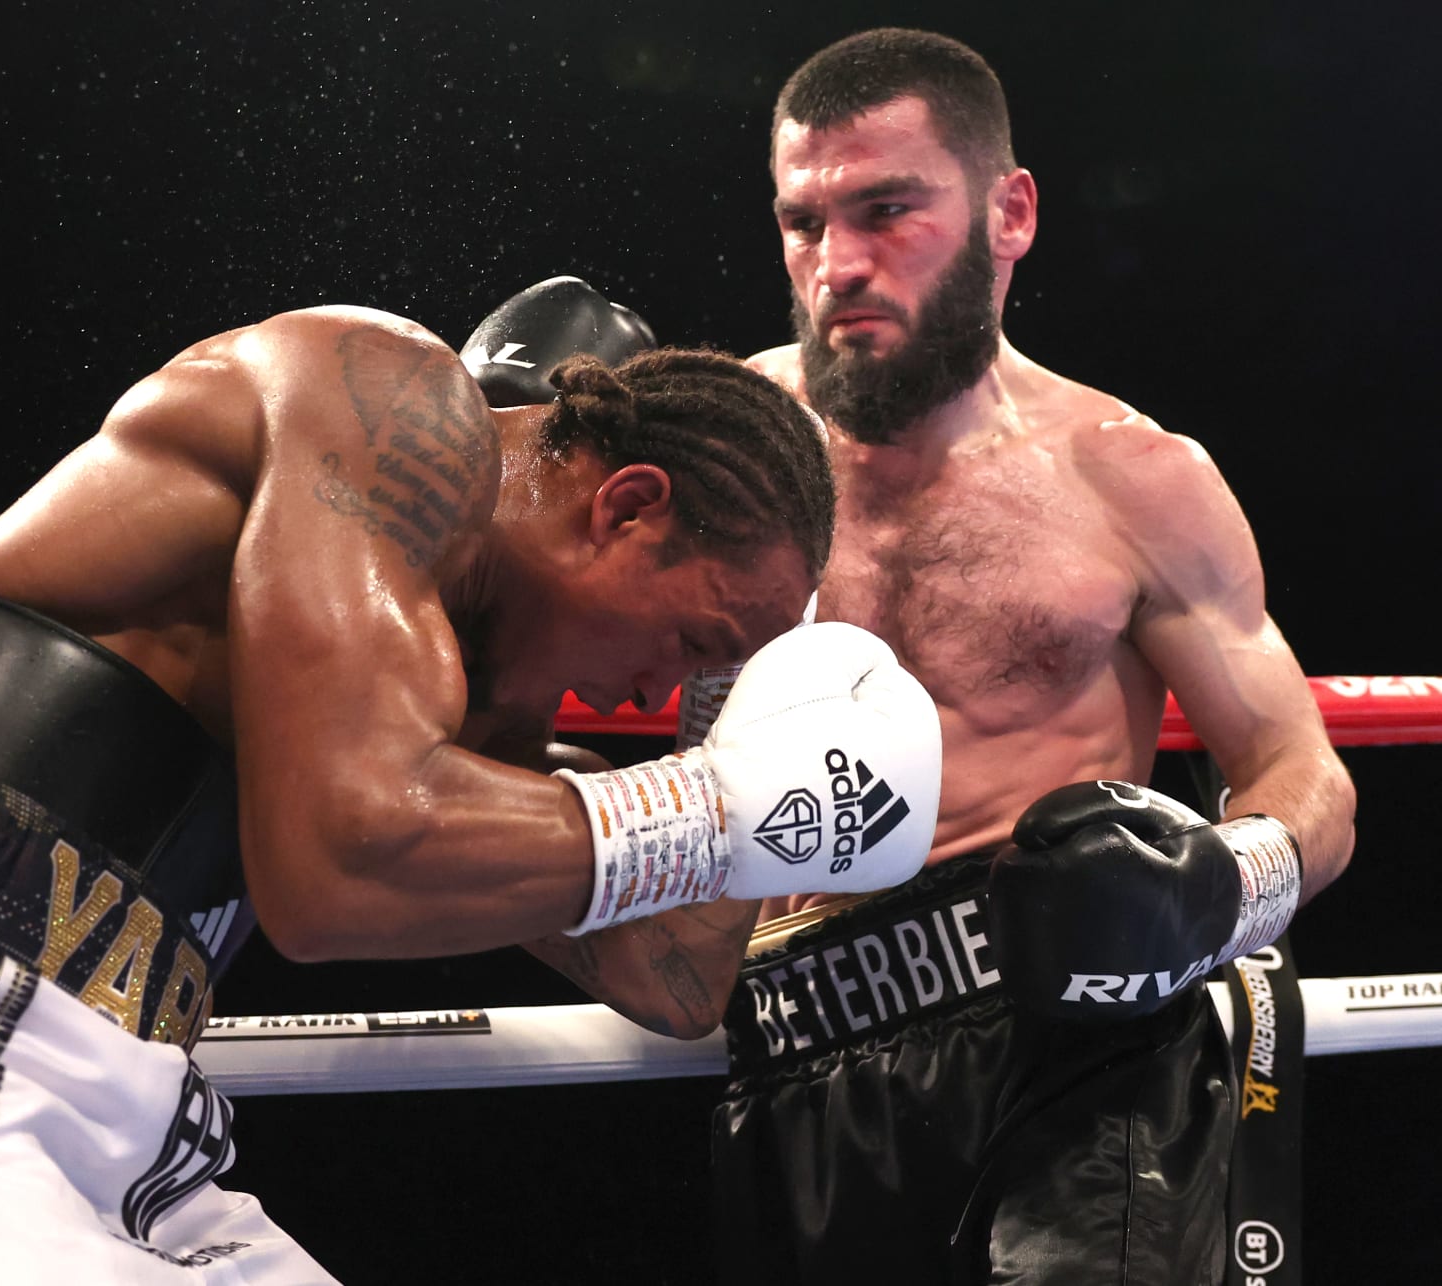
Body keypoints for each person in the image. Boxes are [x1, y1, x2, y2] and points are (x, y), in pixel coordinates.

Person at [0, 279, 946, 1285]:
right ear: (624, 504)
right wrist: (715, 808)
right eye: (692, 640)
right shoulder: (379, 391)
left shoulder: (440, 710)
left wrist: (747, 732)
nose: (646, 694)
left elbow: (673, 973)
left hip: (119, 1103)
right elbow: (336, 872)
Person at [532, 29, 1358, 1284]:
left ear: (1008, 212)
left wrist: (1217, 886)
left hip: (1082, 1045)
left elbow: (1305, 773)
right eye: (803, 224)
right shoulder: (707, 475)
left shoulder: (1132, 476)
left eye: (887, 211)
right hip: (800, 1047)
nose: (838, 266)